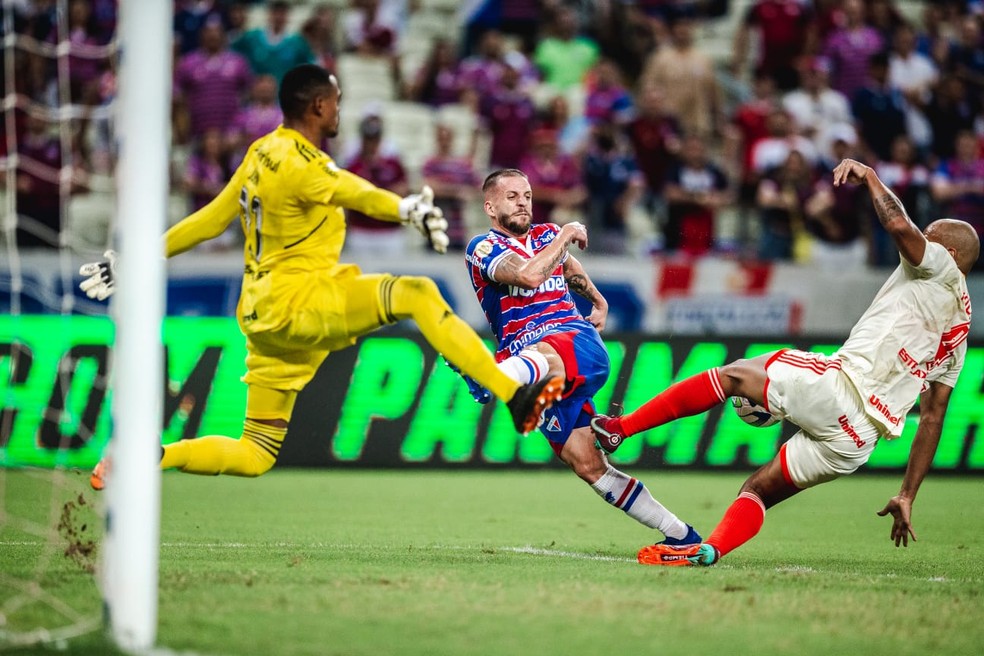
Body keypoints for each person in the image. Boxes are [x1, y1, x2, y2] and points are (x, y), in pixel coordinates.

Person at [81, 65, 563, 489]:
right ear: (317, 105)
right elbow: (350, 190)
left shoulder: (261, 152)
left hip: (261, 315)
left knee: (255, 453)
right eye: (335, 100)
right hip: (300, 302)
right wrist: (404, 208)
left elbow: (210, 219)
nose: (339, 109)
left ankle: (149, 458)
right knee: (415, 293)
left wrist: (136, 257)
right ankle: (513, 394)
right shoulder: (303, 164)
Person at [590, 158, 979, 566]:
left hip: (842, 388)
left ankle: (620, 429)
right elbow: (933, 419)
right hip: (858, 442)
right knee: (757, 490)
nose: (923, 242)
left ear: (949, 253)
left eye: (930, 238)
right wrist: (906, 494)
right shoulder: (960, 333)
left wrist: (871, 177)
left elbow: (899, 226)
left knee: (734, 375)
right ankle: (710, 550)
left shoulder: (941, 268)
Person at [455, 168, 700, 545]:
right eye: (512, 197)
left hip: (574, 342)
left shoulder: (548, 236)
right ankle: (680, 533)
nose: (523, 203)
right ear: (490, 206)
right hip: (533, 367)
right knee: (587, 464)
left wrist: (598, 301)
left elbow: (571, 269)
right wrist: (567, 234)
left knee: (545, 353)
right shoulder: (483, 248)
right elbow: (527, 276)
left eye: (527, 196)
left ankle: (492, 376)